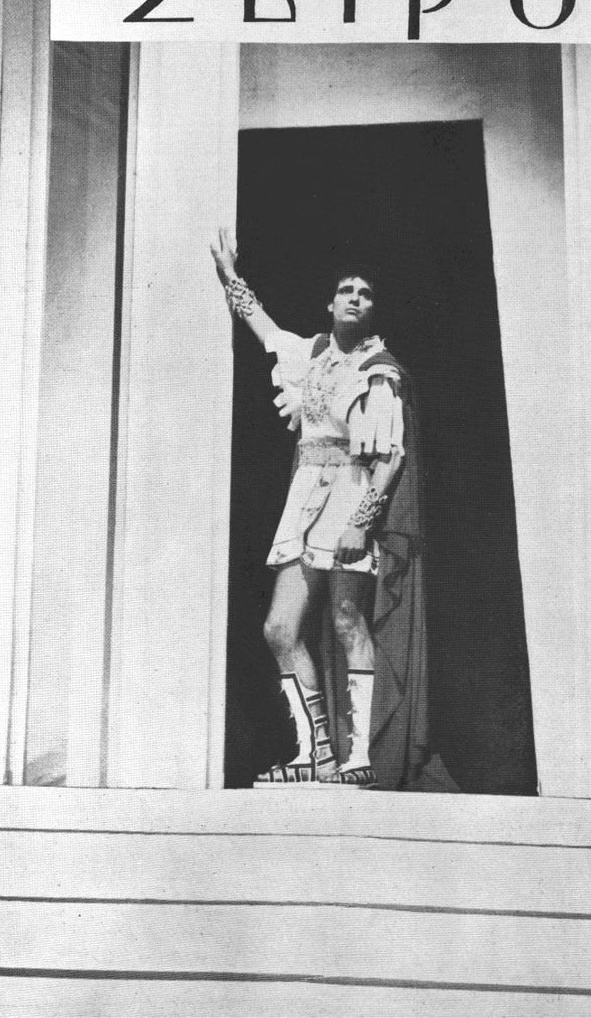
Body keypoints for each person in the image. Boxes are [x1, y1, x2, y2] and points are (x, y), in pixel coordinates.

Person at [211, 229, 429, 789]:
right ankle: (318, 754)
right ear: (330, 303)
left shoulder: (378, 368)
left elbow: (391, 456)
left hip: (351, 495)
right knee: (280, 628)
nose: (356, 297)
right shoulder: (308, 354)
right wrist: (233, 278)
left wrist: (363, 520)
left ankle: (357, 759)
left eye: (367, 293)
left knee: (346, 619)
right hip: (304, 496)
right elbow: (261, 326)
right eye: (346, 290)